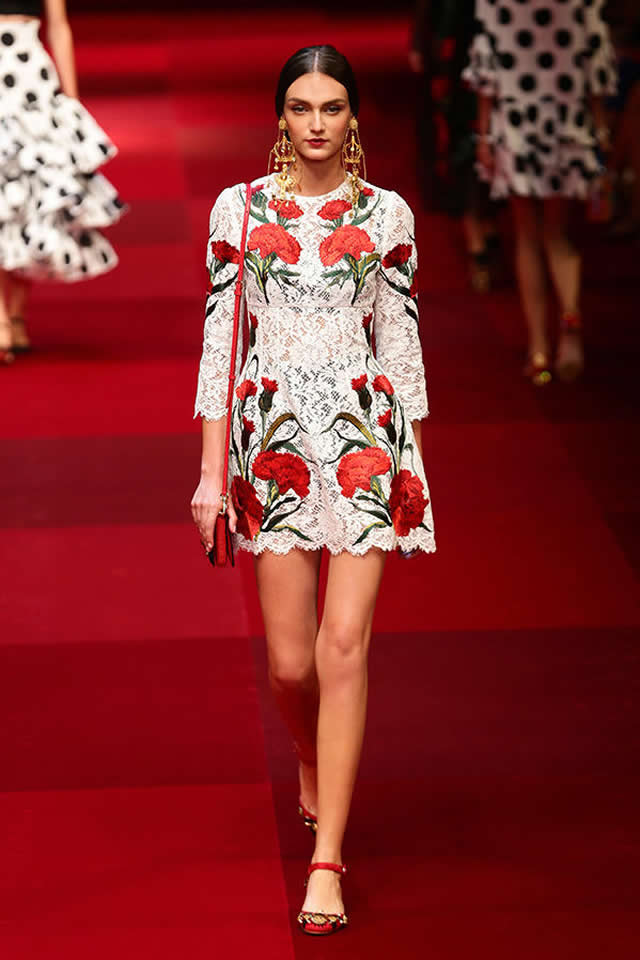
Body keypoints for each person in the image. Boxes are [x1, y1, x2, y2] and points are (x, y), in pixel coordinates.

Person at [191, 45, 435, 936]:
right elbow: (220, 343)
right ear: (281, 117)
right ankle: (308, 751)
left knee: (342, 646)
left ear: (354, 116)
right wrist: (210, 473)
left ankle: (327, 855)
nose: (318, 123)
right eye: (302, 107)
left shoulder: (388, 213)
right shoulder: (240, 207)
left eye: (332, 107)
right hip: (272, 440)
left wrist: (414, 468)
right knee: (291, 664)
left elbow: (400, 343)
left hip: (367, 438)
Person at [464, 0, 617, 384]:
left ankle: (539, 347)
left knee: (531, 236)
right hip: (563, 124)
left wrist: (484, 134)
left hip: (520, 125)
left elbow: (486, 72)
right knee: (554, 234)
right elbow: (597, 69)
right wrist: (600, 131)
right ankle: (565, 330)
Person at [0, 0, 125, 364]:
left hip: (30, 78)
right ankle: (1, 317)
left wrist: (71, 101)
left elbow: (58, 25)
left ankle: (16, 314)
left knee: (34, 195)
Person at [410, 0, 501, 291]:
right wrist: (423, 47)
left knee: (486, 151)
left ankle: (486, 232)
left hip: (498, 66)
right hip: (458, 67)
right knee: (464, 153)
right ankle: (478, 242)